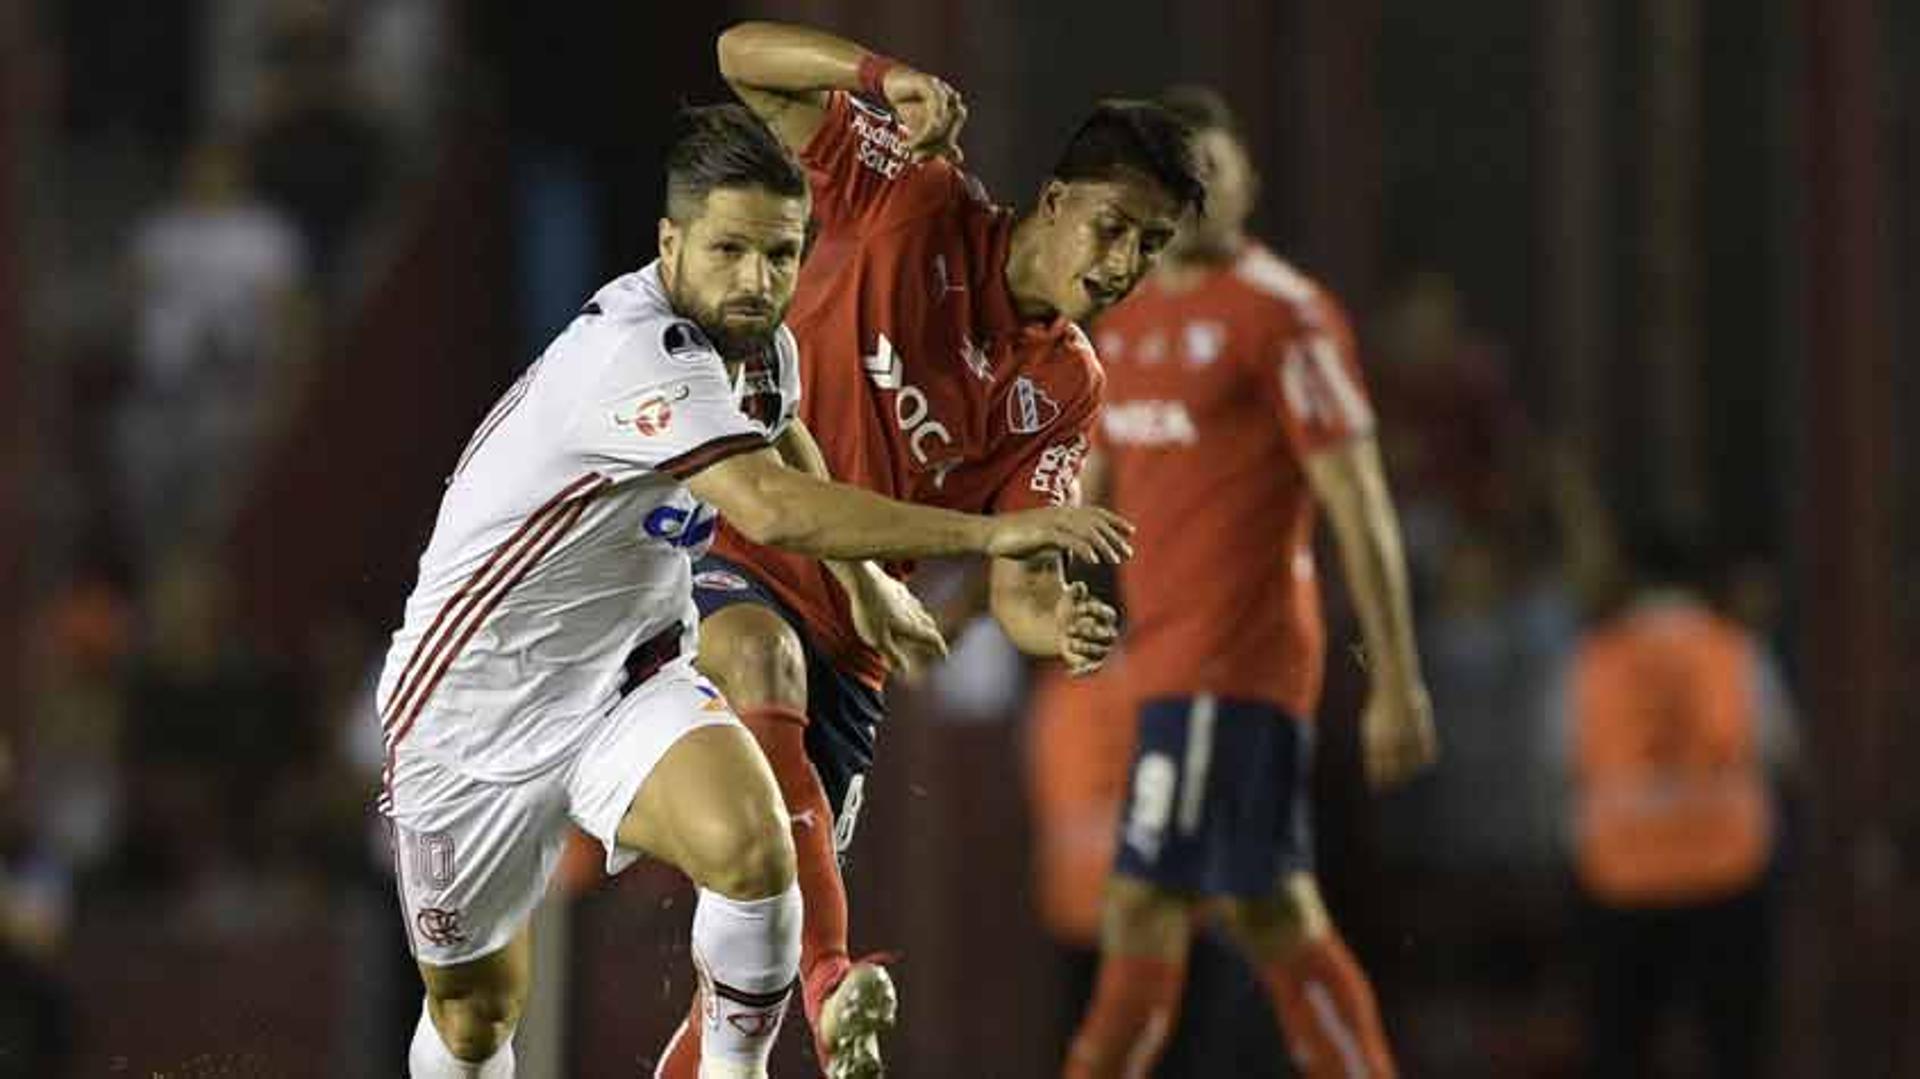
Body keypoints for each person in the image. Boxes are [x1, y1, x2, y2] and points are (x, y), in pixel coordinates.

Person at [379, 104, 1134, 1079]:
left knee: (756, 850)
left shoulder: (760, 345)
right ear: (669, 241)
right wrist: (991, 534)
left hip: (624, 679)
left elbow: (783, 431)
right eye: (730, 249)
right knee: (478, 1014)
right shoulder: (633, 351)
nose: (757, 280)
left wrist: (863, 585)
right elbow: (771, 504)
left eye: (781, 254)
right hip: (470, 713)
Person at [653, 22, 1206, 1078]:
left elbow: (1020, 583)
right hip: (725, 549)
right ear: (1054, 200)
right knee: (761, 688)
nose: (1126, 263)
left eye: (1151, 247)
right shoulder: (915, 196)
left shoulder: (1070, 385)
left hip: (851, 649)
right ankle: (833, 982)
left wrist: (1064, 624)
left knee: (738, 986)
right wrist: (881, 75)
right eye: (1116, 226)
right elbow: (735, 55)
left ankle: (789, 991)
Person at [1064, 87, 1436, 1078]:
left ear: (1249, 184)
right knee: (1270, 908)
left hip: (1235, 660)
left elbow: (1358, 502)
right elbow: (1087, 492)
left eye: (1217, 173)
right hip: (1166, 661)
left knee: (1143, 899)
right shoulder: (1126, 318)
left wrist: (1397, 676)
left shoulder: (1286, 315)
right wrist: (998, 592)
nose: (1198, 195)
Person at [1551, 528, 1796, 1078]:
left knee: (1622, 1048)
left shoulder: (1593, 660)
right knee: (1733, 1046)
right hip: (1728, 874)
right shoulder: (1735, 651)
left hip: (1619, 878)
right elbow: (1781, 749)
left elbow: (1557, 761)